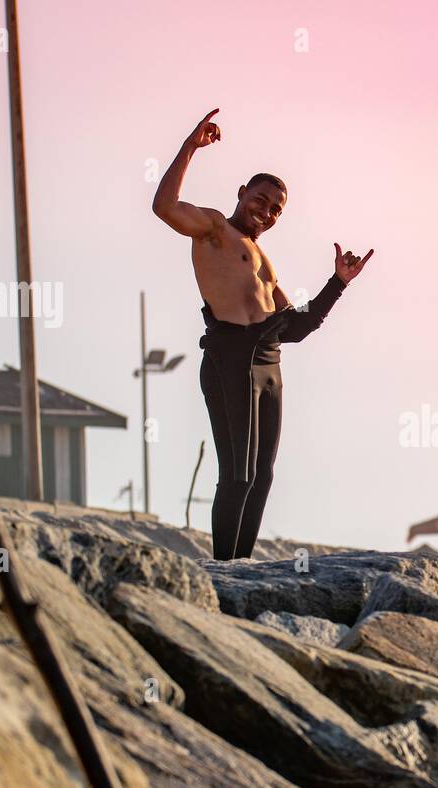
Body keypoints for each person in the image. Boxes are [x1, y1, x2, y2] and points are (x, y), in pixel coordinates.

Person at [152, 108, 373, 559]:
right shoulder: (214, 229)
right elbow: (164, 207)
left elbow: (296, 327)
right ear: (242, 193)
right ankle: (224, 570)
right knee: (237, 475)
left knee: (263, 476)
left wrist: (338, 283)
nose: (266, 211)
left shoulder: (263, 262)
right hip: (229, 358)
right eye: (261, 199)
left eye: (276, 209)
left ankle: (244, 567)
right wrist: (189, 148)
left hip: (269, 364)